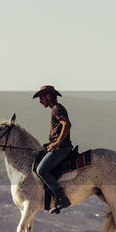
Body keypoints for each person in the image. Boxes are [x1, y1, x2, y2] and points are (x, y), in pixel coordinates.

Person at [32, 85, 72, 213]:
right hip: (60, 147)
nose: (40, 101)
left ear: (48, 96)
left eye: (41, 97)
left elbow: (67, 124)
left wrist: (57, 143)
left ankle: (61, 197)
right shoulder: (55, 109)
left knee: (41, 170)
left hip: (62, 148)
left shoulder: (56, 108)